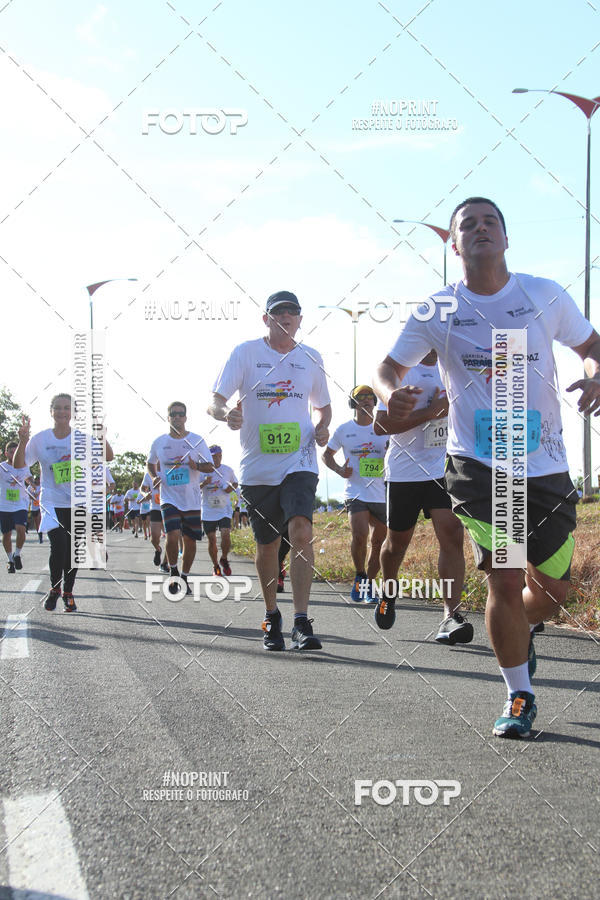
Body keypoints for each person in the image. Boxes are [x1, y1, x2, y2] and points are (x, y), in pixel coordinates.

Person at [374, 196, 600, 739]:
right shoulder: (437, 310)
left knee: (549, 595)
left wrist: (594, 374)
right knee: (503, 572)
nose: (479, 229)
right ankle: (518, 694)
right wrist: (391, 396)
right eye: (467, 225)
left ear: (505, 237)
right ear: (454, 245)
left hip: (544, 463)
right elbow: (388, 367)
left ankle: (523, 633)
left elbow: (592, 346)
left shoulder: (543, 295)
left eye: (489, 222)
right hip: (477, 464)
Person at [209, 290, 331, 651]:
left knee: (302, 531)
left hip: (300, 462)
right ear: (266, 319)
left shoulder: (311, 357)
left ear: (300, 319)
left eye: (293, 312)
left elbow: (324, 407)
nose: (286, 317)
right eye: (278, 312)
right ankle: (272, 614)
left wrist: (323, 426)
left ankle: (301, 620)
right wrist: (225, 413)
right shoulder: (245, 353)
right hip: (258, 468)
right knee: (268, 546)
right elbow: (215, 401)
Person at [373, 352, 470, 642]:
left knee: (452, 533)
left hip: (443, 467)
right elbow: (380, 426)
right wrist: (431, 411)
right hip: (404, 471)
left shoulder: (454, 368)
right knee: (397, 543)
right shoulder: (401, 373)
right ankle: (388, 590)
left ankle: (450, 616)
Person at [13, 393, 114, 611]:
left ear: (73, 413)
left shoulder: (82, 439)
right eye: (57, 408)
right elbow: (20, 464)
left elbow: (108, 456)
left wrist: (101, 435)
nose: (62, 412)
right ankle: (55, 588)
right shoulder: (40, 439)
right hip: (51, 501)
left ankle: (67, 591)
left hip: (78, 502)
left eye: (67, 408)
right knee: (58, 544)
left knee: (72, 550)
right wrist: (22, 442)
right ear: (51, 412)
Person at [323, 385, 389, 603]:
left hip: (381, 493)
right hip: (356, 491)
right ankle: (360, 576)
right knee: (359, 535)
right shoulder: (344, 430)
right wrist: (340, 470)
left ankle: (369, 584)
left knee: (379, 542)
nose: (367, 400)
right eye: (361, 397)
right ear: (353, 403)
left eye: (370, 397)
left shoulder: (384, 428)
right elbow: (327, 455)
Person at [147, 401, 213, 594]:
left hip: (191, 499)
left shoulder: (197, 440)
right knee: (173, 535)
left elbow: (210, 466)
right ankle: (173, 571)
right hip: (169, 498)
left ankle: (184, 576)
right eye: (173, 414)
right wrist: (154, 477)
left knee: (190, 541)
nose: (177, 417)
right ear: (168, 417)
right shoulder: (159, 442)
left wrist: (197, 467)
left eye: (180, 414)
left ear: (186, 417)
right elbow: (150, 463)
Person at [200, 445, 238, 576]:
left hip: (223, 509)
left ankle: (224, 558)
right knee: (212, 540)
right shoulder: (202, 471)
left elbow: (235, 483)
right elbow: (194, 488)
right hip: (208, 510)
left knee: (226, 535)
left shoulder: (227, 470)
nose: (217, 458)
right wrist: (204, 483)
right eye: (214, 456)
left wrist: (230, 488)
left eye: (219, 455)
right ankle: (215, 565)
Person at [0, 441, 30, 572]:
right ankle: (10, 560)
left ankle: (17, 554)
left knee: (21, 529)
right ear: (6, 453)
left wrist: (34, 484)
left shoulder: (23, 466)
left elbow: (29, 479)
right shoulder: (1, 467)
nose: (14, 454)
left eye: (16, 451)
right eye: (11, 452)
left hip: (20, 503)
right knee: (6, 535)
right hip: (4, 505)